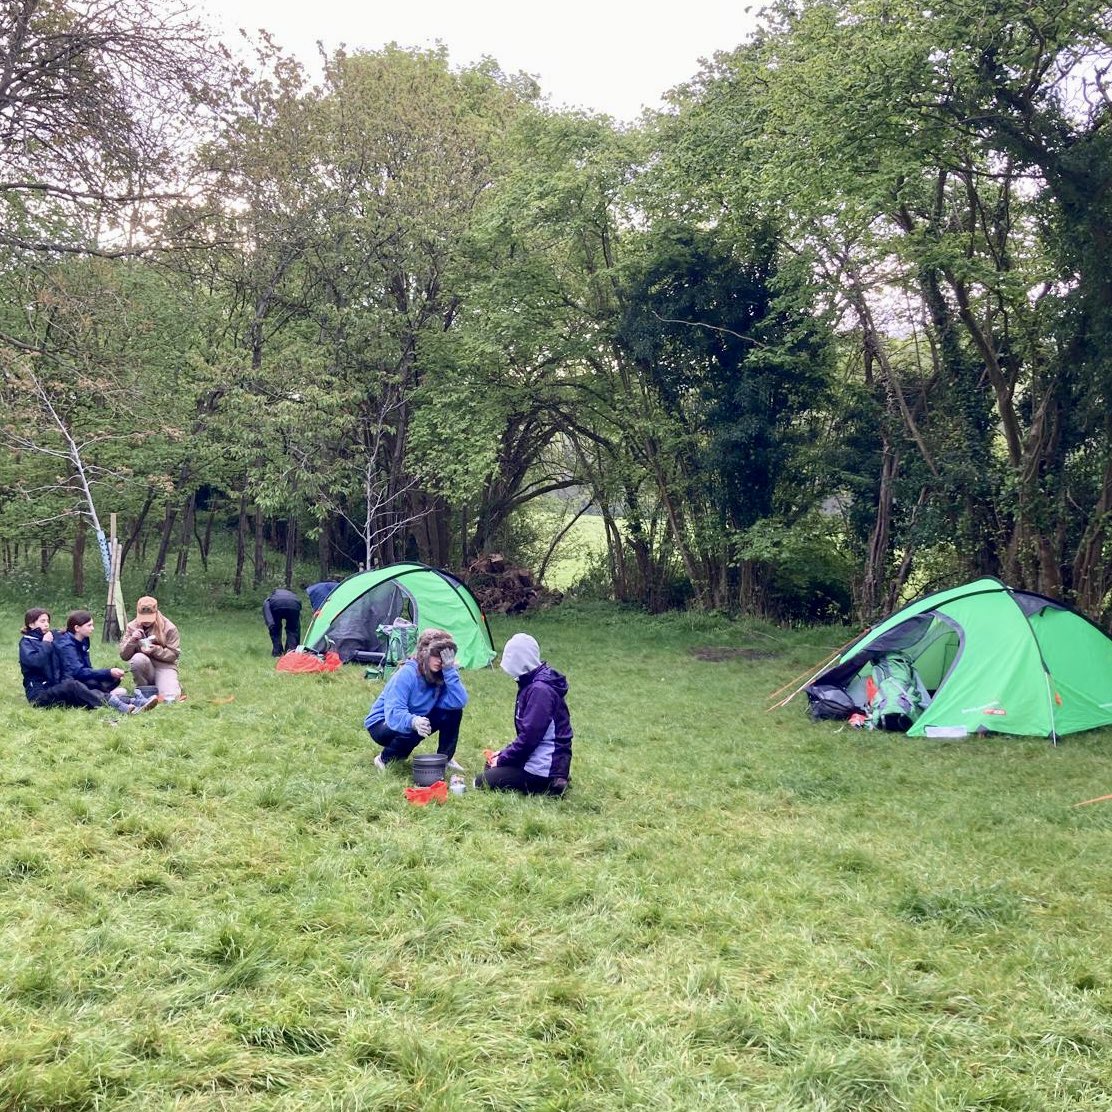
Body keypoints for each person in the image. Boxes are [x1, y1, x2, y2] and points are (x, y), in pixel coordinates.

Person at [474, 632, 573, 796]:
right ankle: (555, 778)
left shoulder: (540, 691)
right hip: (540, 759)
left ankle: (551, 784)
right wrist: (503, 754)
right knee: (490, 765)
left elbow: (529, 739)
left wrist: (503, 759)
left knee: (480, 781)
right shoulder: (531, 683)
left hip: (543, 767)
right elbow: (528, 735)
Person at [365, 628, 468, 771]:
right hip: (382, 724)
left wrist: (450, 670)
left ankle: (445, 758)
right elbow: (394, 712)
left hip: (417, 717)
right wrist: (413, 721)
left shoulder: (442, 672)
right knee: (413, 729)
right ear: (424, 653)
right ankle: (384, 759)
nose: (440, 660)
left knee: (453, 712)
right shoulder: (407, 674)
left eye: (443, 656)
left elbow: (458, 702)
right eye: (435, 655)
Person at [53, 610, 156, 713]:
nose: (92, 628)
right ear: (77, 628)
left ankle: (135, 701)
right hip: (70, 684)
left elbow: (87, 669)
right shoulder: (66, 646)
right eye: (89, 625)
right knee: (93, 686)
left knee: (113, 678)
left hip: (80, 679)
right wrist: (108, 672)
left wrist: (110, 674)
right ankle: (127, 703)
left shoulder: (83, 640)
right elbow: (78, 672)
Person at [19, 608, 120, 710]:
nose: (46, 624)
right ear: (31, 624)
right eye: (42, 621)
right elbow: (36, 663)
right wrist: (46, 643)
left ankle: (122, 699)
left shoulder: (51, 637)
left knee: (90, 683)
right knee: (72, 686)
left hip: (55, 686)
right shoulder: (27, 643)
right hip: (39, 694)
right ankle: (112, 701)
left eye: (47, 621)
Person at [119, 596, 181, 699]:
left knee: (169, 697)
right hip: (143, 665)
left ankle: (168, 684)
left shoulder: (169, 628)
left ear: (156, 612)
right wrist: (132, 641)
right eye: (143, 617)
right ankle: (144, 688)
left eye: (149, 617)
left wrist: (155, 650)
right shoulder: (131, 627)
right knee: (137, 659)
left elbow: (174, 655)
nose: (146, 621)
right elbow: (124, 656)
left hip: (164, 666)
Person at [263, 587, 302, 656]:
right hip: (294, 604)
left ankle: (277, 652)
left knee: (275, 629)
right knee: (292, 630)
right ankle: (290, 652)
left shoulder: (272, 596)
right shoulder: (292, 595)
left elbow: (266, 608)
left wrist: (271, 624)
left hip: (276, 604)